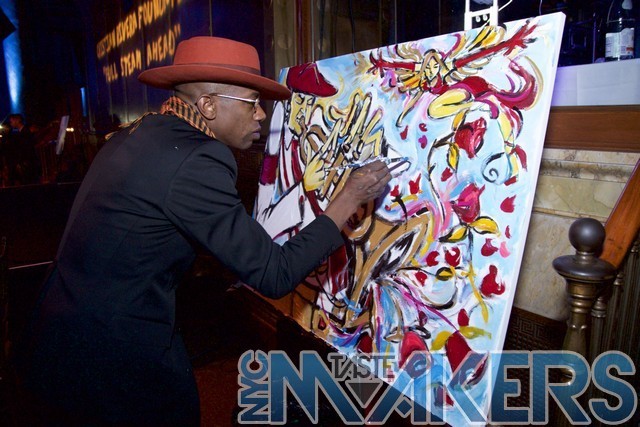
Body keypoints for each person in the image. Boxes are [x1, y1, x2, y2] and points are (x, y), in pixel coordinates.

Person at [15, 36, 391, 425]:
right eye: (251, 103)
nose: (261, 115)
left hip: (57, 330)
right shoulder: (200, 158)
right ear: (208, 106)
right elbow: (274, 273)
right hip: (107, 353)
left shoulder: (138, 132)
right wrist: (349, 198)